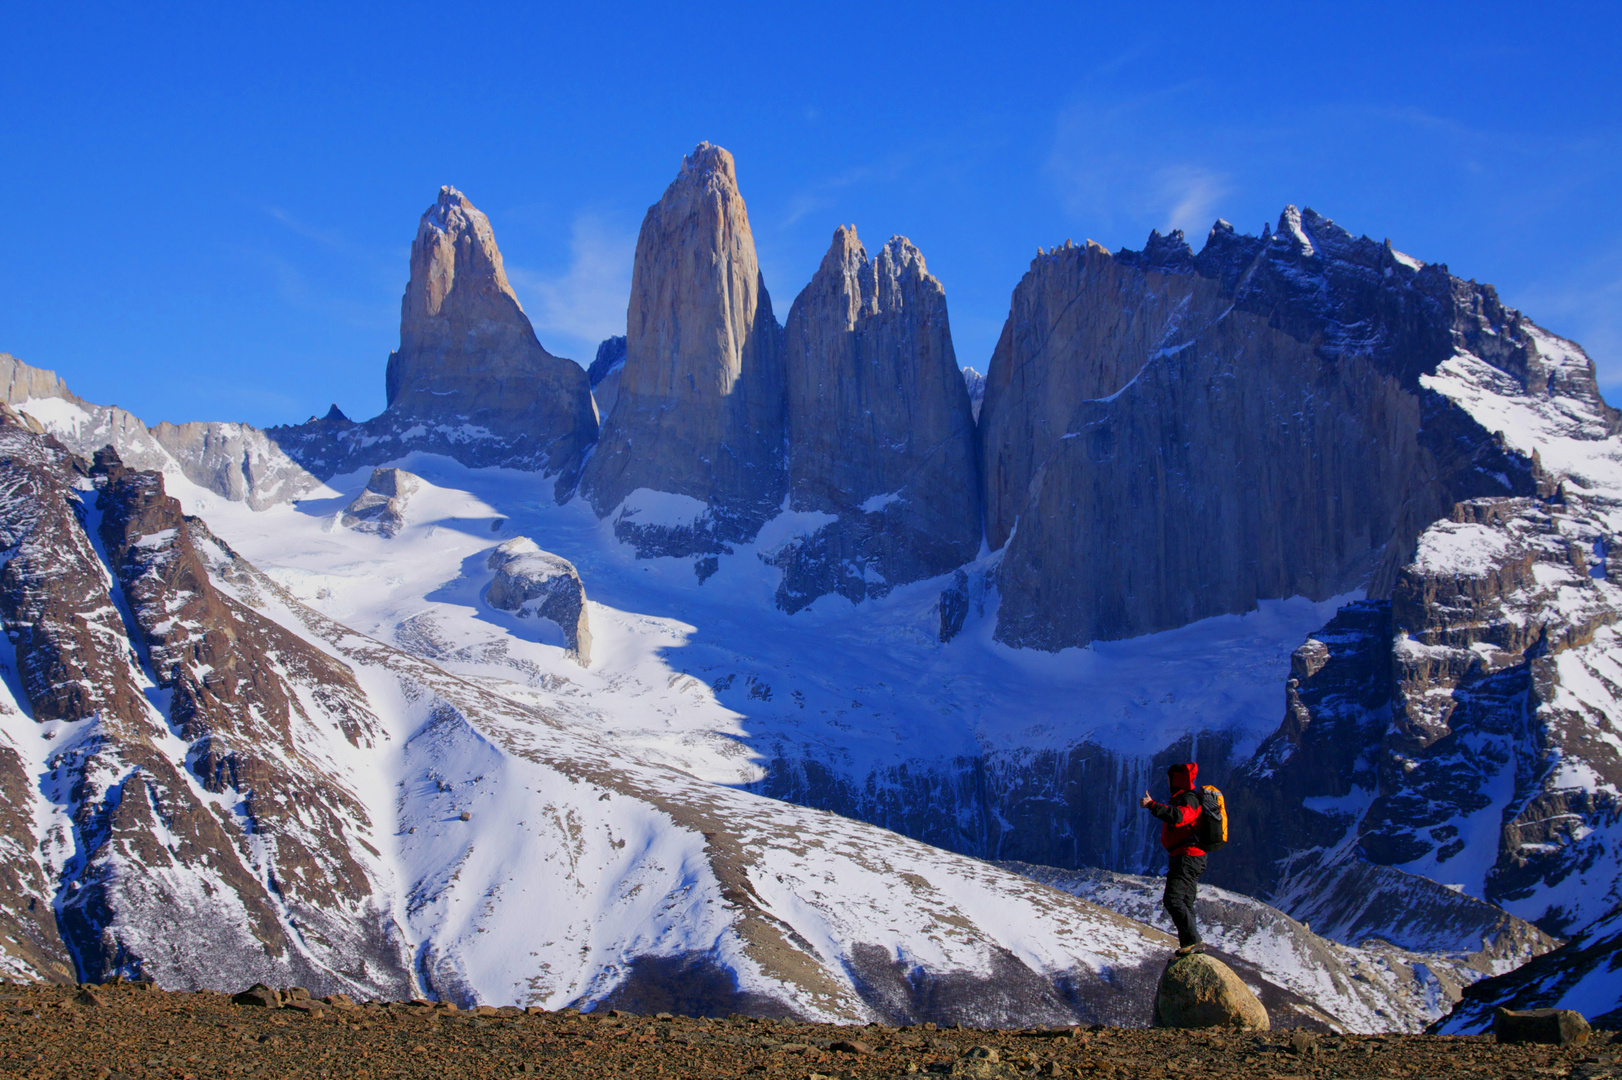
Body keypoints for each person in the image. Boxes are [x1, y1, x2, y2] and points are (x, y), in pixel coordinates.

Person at [1139, 762, 1206, 956]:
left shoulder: (1189, 799)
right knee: (1184, 901)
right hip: (1188, 856)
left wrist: (1152, 805)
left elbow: (1179, 817)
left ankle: (1193, 941)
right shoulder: (1185, 798)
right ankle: (1191, 944)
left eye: (1169, 779)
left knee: (1173, 899)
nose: (1167, 782)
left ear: (1176, 780)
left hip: (1187, 857)